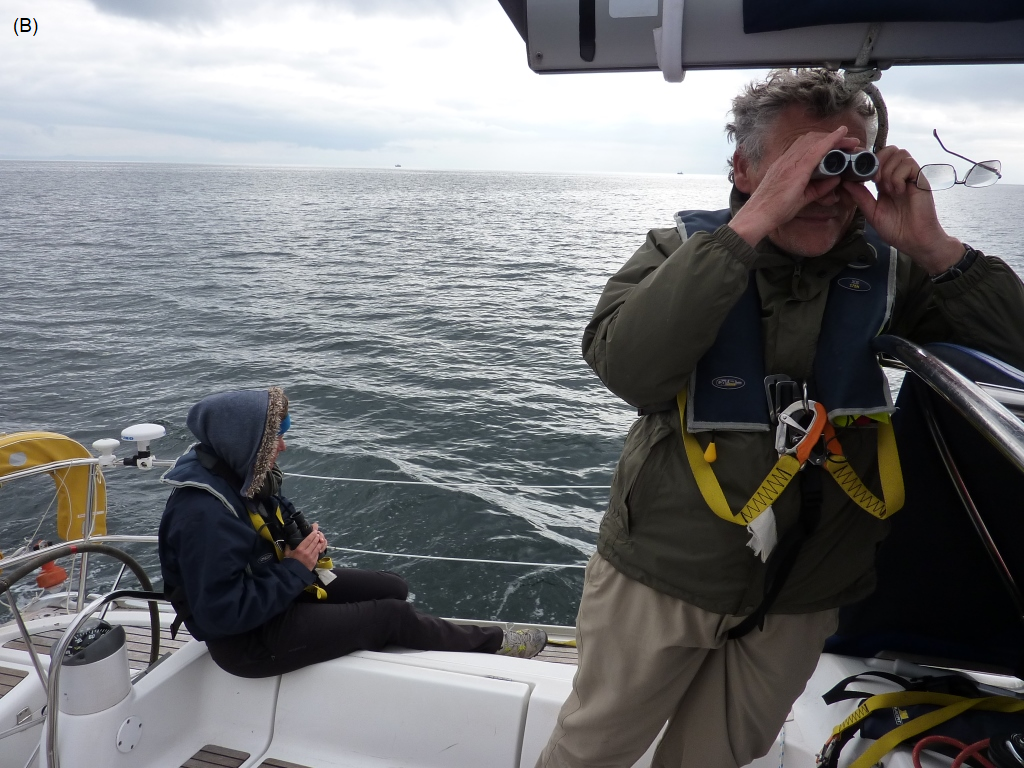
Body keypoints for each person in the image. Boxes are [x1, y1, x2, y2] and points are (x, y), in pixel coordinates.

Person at [537, 69, 1024, 767]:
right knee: (592, 749)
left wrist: (933, 248)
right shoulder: (679, 253)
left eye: (844, 168)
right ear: (743, 166)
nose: (824, 195)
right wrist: (752, 225)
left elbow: (1015, 352)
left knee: (716, 757)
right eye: (804, 166)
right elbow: (629, 368)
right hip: (665, 574)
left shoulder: (888, 271)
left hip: (808, 588)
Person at [159, 386, 547, 677]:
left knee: (393, 585)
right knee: (390, 615)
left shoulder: (237, 475)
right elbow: (220, 616)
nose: (284, 445)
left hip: (277, 595)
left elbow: (276, 520)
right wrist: (296, 567)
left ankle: (399, 638)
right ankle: (494, 645)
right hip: (249, 642)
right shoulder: (203, 515)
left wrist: (302, 546)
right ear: (247, 442)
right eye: (275, 436)